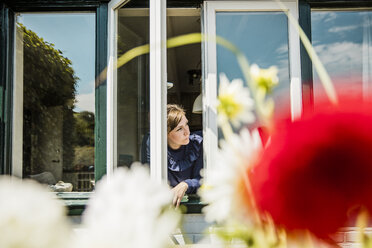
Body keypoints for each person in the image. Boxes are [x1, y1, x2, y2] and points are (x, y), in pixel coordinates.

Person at [143, 104, 203, 207]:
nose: (187, 132)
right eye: (179, 129)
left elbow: (203, 179)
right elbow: (150, 179)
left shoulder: (197, 143)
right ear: (164, 133)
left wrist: (186, 184)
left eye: (186, 124)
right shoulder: (153, 144)